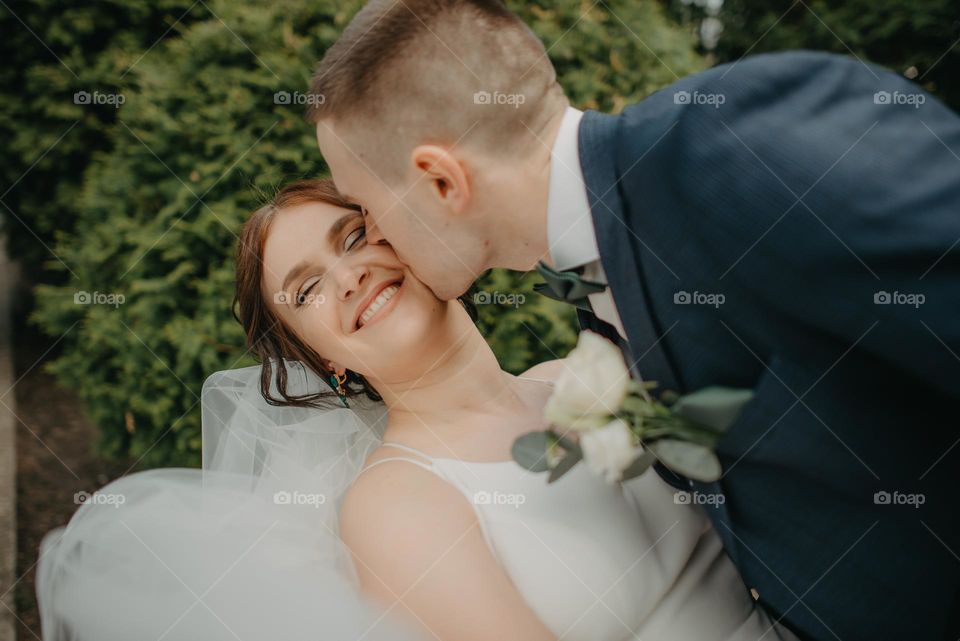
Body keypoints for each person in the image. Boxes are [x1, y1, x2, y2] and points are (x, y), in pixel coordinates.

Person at [309, 1, 960, 639]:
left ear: (441, 181)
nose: (374, 235)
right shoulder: (599, 300)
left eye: (364, 204)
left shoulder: (739, 146)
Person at [37, 180, 795, 641]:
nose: (350, 275)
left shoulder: (584, 369)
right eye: (305, 290)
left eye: (356, 235)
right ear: (323, 360)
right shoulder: (396, 503)